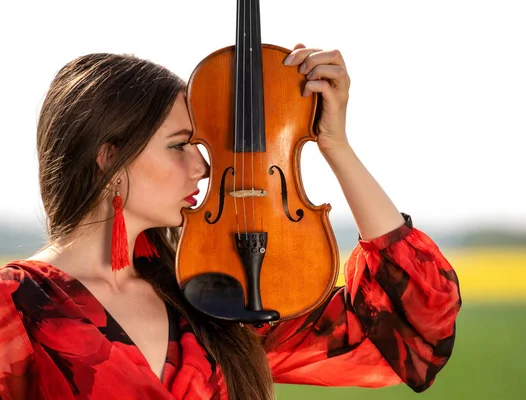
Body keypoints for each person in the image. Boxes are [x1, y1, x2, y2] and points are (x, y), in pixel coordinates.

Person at [0, 44, 462, 400]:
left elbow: (410, 332)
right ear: (109, 157)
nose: (203, 167)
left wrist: (334, 144)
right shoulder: (13, 307)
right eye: (180, 145)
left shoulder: (209, 298)